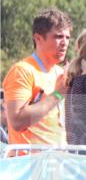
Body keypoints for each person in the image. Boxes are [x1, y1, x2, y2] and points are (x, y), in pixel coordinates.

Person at [3, 8, 72, 146]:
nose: (64, 43)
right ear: (38, 38)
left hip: (58, 162)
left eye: (67, 37)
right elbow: (17, 121)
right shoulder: (22, 71)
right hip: (29, 163)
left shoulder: (60, 73)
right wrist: (58, 94)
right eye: (58, 36)